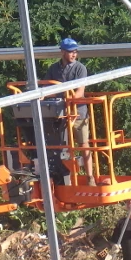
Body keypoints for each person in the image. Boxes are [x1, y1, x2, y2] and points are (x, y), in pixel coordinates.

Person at [44, 37, 94, 185]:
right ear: (62, 52)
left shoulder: (80, 68)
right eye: (70, 52)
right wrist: (44, 96)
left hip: (78, 113)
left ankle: (90, 177)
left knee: (83, 144)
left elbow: (79, 92)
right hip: (59, 115)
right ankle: (64, 178)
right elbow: (46, 89)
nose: (73, 54)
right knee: (60, 147)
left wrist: (64, 97)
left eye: (75, 52)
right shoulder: (53, 69)